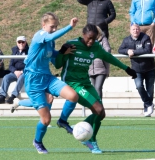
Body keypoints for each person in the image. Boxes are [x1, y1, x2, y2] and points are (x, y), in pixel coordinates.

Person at [55, 24, 137, 154]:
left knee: (101, 113)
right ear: (83, 35)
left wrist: (126, 68)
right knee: (98, 109)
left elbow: (109, 57)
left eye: (94, 39)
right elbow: (58, 64)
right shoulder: (72, 45)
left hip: (85, 83)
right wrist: (61, 52)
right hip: (73, 83)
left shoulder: (96, 47)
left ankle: (80, 129)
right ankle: (92, 140)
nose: (91, 42)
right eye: (89, 38)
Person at [23, 12, 79, 154]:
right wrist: (70, 27)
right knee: (46, 119)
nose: (54, 29)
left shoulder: (50, 41)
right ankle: (37, 142)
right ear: (43, 25)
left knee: (73, 96)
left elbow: (52, 54)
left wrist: (62, 53)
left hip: (47, 77)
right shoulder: (39, 35)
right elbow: (51, 36)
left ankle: (63, 121)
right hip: (33, 81)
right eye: (52, 26)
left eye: (56, 27)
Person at [118, 24, 155, 117]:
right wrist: (127, 51)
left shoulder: (145, 37)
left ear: (140, 30)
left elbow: (147, 50)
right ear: (130, 31)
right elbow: (120, 49)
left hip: (149, 68)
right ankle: (149, 104)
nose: (135, 31)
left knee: (150, 89)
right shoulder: (126, 40)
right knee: (139, 86)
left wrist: (133, 52)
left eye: (137, 29)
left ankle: (147, 108)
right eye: (133, 29)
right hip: (136, 69)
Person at [0, 36, 29, 104]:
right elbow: (10, 65)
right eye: (19, 42)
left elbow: (30, 65)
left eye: (23, 42)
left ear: (25, 42)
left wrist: (21, 71)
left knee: (21, 77)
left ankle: (13, 96)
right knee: (6, 77)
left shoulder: (29, 51)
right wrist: (15, 71)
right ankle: (2, 96)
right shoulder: (14, 51)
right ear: (17, 43)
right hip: (15, 72)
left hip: (24, 72)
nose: (21, 44)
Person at [88, 26, 111, 99]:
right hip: (91, 69)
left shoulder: (103, 39)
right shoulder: (89, 40)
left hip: (101, 68)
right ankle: (95, 108)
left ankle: (99, 107)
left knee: (98, 88)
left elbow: (107, 49)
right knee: (94, 89)